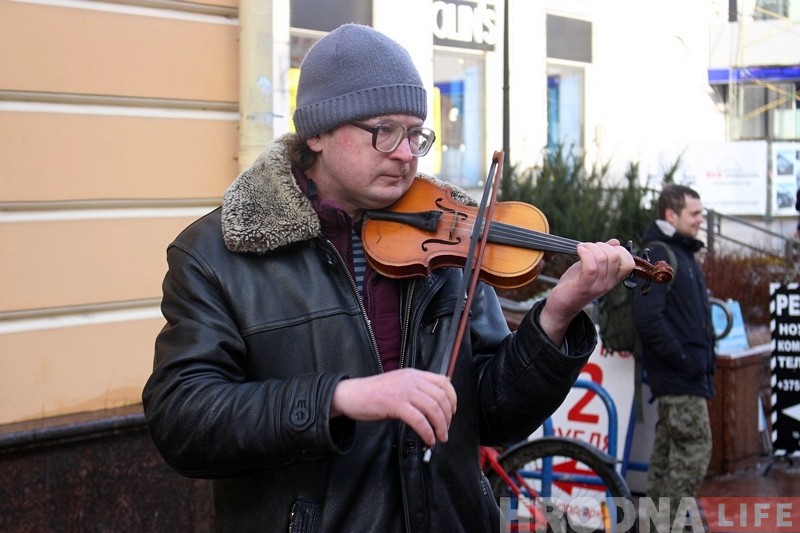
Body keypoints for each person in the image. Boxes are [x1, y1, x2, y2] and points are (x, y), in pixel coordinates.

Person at [142, 23, 634, 532]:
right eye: (384, 130)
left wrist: (556, 315)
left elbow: (492, 415)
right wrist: (342, 398)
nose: (405, 153)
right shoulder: (217, 253)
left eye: (416, 132)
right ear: (317, 132)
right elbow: (183, 422)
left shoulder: (451, 237)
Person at [633, 184, 715, 529]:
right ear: (671, 215)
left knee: (667, 461)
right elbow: (648, 319)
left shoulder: (682, 252)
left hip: (687, 376)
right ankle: (667, 526)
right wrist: (684, 360)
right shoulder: (659, 252)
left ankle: (655, 526)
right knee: (694, 452)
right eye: (694, 214)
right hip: (680, 377)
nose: (701, 220)